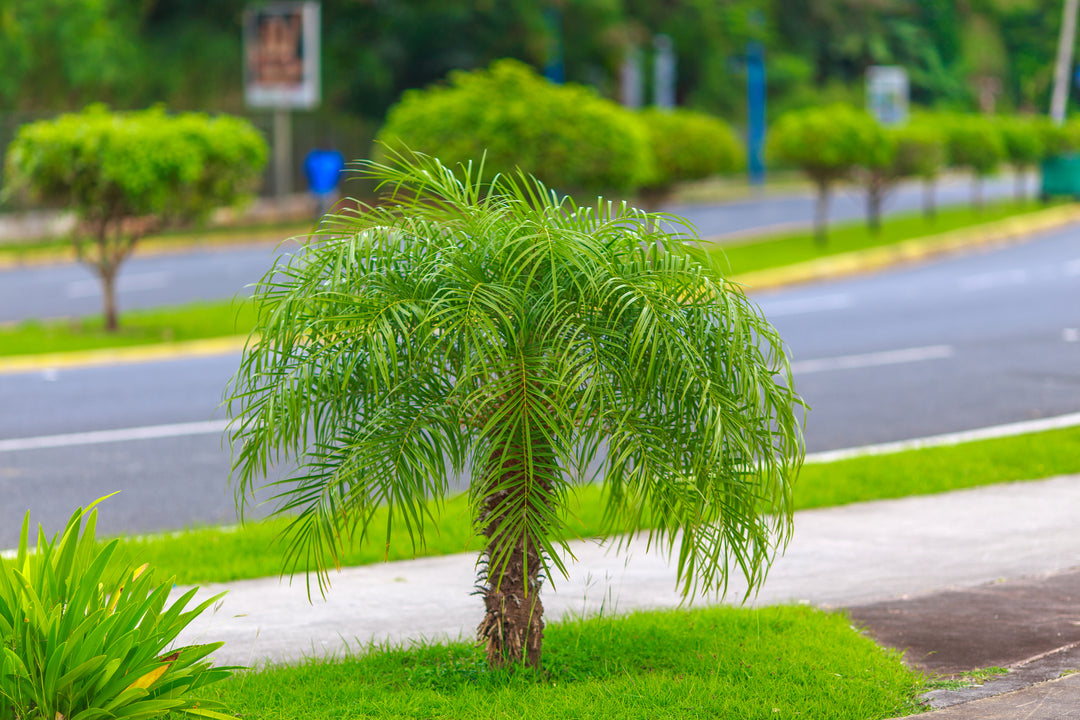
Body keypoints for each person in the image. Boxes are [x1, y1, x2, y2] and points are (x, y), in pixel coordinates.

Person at [303, 146, 345, 217]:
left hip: (318, 188)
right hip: (326, 188)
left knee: (322, 211)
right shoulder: (335, 157)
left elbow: (306, 172)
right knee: (327, 211)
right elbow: (341, 173)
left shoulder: (313, 157)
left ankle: (321, 223)